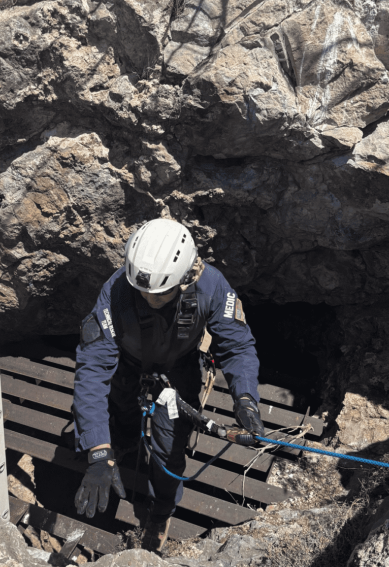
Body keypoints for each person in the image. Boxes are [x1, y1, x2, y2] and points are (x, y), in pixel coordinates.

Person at [71, 219, 266, 553]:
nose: (149, 298)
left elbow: (236, 346)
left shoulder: (211, 286)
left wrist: (245, 398)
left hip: (179, 369)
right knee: (121, 413)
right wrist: (97, 450)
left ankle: (161, 510)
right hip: (127, 365)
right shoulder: (117, 291)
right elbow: (92, 368)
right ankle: (124, 443)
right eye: (143, 290)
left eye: (159, 292)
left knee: (168, 448)